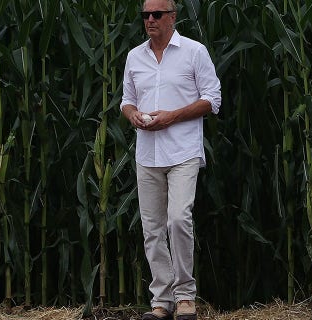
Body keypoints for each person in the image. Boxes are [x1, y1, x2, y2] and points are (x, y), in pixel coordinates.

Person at [120, 0, 221, 319]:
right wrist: (133, 115)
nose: (150, 20)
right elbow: (126, 100)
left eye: (157, 14)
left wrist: (172, 117)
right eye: (145, 15)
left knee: (178, 219)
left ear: (172, 17)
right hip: (147, 153)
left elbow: (212, 99)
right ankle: (161, 301)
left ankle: (186, 296)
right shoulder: (135, 56)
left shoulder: (194, 51)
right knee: (152, 227)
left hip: (182, 151)